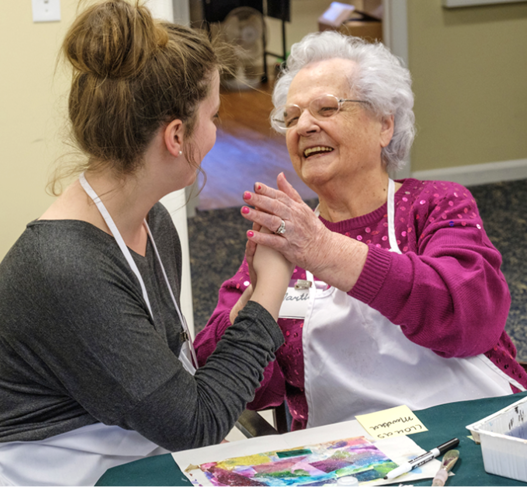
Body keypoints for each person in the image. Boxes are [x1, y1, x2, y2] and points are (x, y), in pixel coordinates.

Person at [0, 1, 293, 485]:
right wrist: (271, 289)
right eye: (213, 117)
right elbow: (194, 425)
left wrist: (245, 311)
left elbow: (162, 389)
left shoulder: (154, 223)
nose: (216, 134)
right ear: (177, 136)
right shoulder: (65, 267)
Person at [194, 31, 527, 432]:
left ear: (384, 125)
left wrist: (324, 250)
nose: (305, 127)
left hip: (473, 431)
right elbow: (230, 385)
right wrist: (252, 307)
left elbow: (472, 319)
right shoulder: (283, 243)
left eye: (326, 108)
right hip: (352, 459)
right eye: (293, 117)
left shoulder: (433, 206)